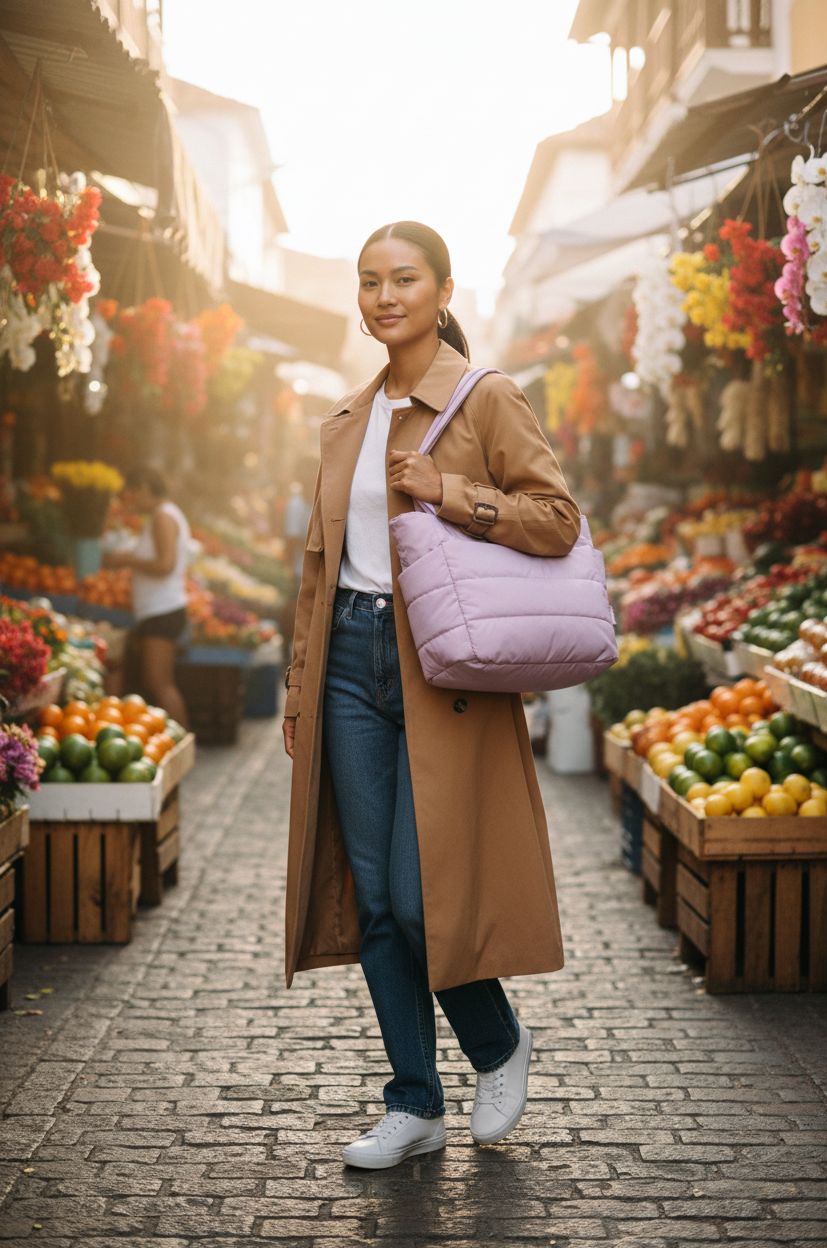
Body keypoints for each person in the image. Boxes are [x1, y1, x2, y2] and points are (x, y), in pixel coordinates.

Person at [281, 221, 580, 1171]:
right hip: (348, 666)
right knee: (375, 899)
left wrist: (451, 490)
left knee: (418, 897)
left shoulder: (484, 399)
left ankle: (497, 1043)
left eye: (403, 279)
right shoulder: (345, 421)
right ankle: (414, 1102)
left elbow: (559, 520)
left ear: (442, 287)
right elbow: (317, 569)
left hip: (438, 665)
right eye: (368, 281)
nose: (383, 296)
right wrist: (299, 687)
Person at [105, 465, 190, 726]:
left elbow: (165, 564)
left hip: (162, 611)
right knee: (156, 682)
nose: (128, 502)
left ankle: (184, 741)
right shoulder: (164, 514)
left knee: (160, 684)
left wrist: (128, 559)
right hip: (160, 610)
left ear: (142, 489)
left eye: (130, 494)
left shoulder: (163, 517)